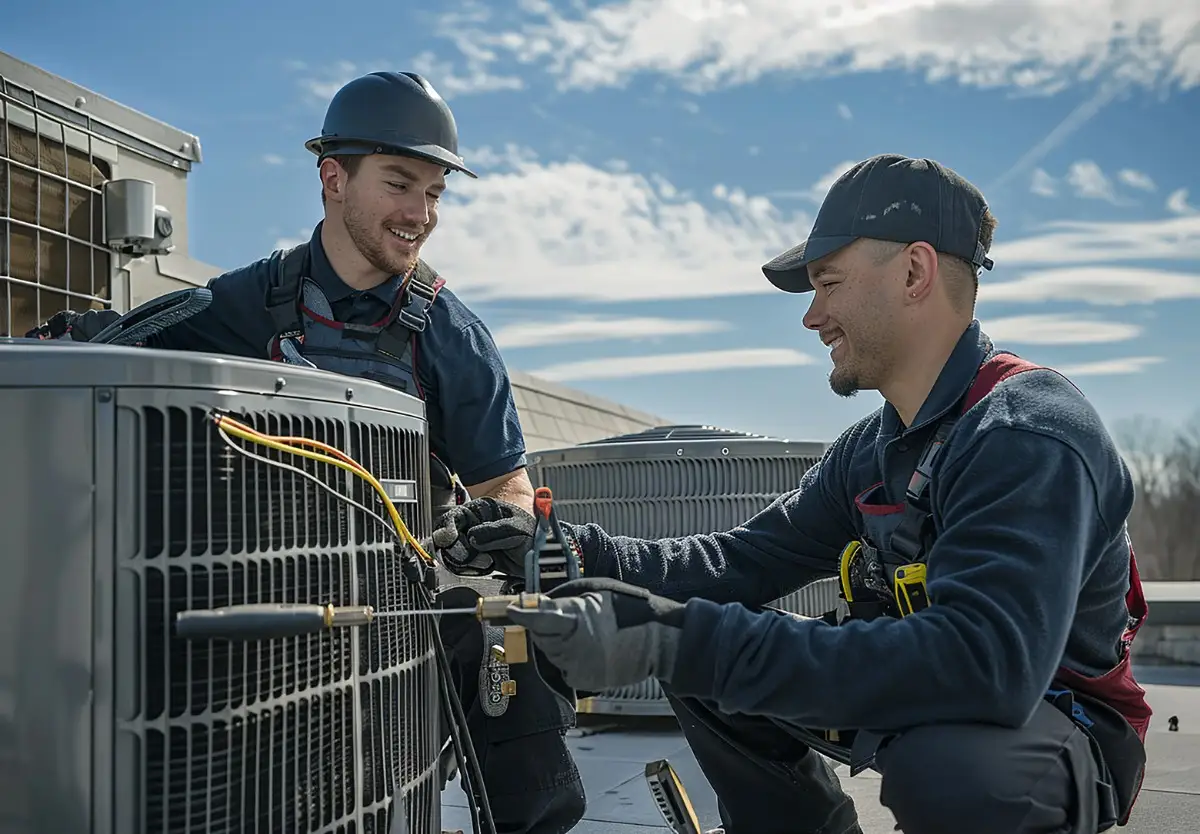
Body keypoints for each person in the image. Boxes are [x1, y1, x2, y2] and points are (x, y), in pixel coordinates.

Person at [432, 154, 1154, 834]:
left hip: (1059, 725)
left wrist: (679, 640)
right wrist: (563, 551)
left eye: (828, 283)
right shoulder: (873, 451)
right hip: (935, 695)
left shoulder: (1025, 432)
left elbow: (985, 667)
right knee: (703, 646)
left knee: (953, 772)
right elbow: (736, 562)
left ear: (915, 271)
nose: (812, 316)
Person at [29, 71, 584, 834]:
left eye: (434, 193)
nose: (421, 214)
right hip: (261, 618)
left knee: (503, 664)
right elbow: (114, 353)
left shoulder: (452, 337)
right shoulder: (241, 303)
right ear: (333, 179)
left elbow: (506, 487)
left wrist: (501, 526)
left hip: (394, 623)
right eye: (400, 184)